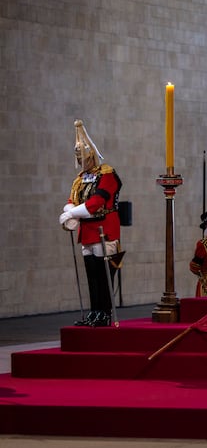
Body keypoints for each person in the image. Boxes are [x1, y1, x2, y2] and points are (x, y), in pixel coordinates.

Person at [59, 119, 123, 327]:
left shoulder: (107, 174)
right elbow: (72, 200)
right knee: (92, 275)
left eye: (84, 157)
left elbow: (96, 203)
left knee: (104, 276)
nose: (82, 162)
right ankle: (94, 311)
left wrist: (72, 214)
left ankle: (104, 313)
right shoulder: (80, 178)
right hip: (87, 231)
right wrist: (70, 212)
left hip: (104, 228)